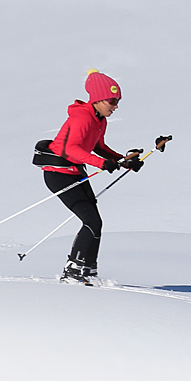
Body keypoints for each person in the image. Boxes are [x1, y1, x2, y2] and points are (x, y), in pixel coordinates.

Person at [40, 69, 142, 285]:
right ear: (97, 99)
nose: (115, 106)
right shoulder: (82, 117)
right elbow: (70, 150)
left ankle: (87, 268)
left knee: (96, 223)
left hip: (75, 172)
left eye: (117, 101)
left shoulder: (99, 120)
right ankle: (73, 270)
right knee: (91, 221)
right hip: (58, 174)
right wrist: (102, 163)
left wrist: (124, 160)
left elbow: (99, 146)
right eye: (112, 101)